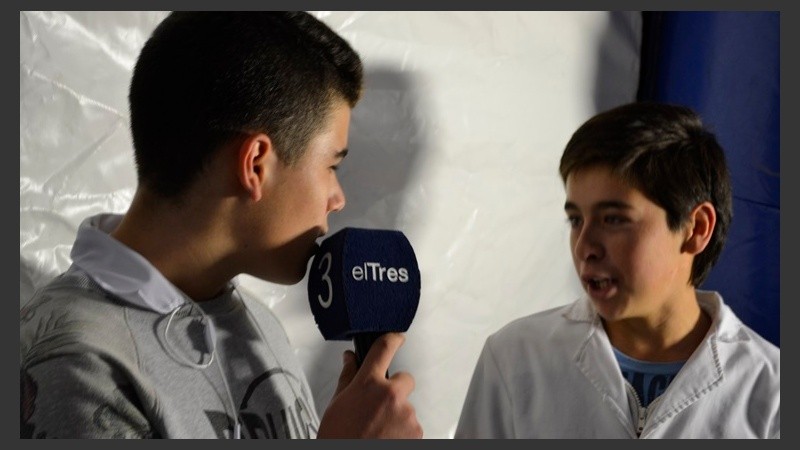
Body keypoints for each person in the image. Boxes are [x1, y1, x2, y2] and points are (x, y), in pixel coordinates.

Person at [20, 12, 422, 439]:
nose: (338, 198)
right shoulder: (71, 362)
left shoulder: (258, 324)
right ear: (254, 164)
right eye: (331, 166)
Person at [454, 102, 779, 438]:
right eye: (576, 220)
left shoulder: (773, 395)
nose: (584, 247)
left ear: (695, 228)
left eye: (614, 219)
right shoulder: (516, 358)